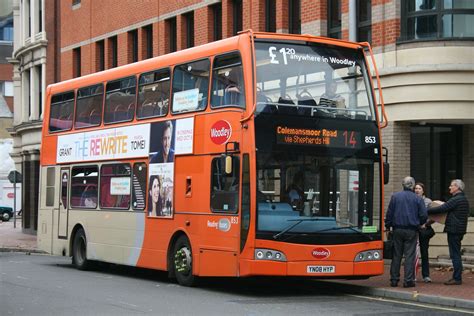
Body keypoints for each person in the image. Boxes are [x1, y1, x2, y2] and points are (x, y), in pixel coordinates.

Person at [385, 177, 427, 288]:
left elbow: (389, 213)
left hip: (397, 229)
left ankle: (394, 279)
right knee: (409, 256)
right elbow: (423, 215)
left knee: (396, 255)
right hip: (411, 230)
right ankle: (408, 280)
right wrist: (419, 223)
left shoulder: (395, 197)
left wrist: (388, 226)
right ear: (413, 186)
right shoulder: (418, 199)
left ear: (403, 185)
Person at [428, 179, 470, 285]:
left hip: (454, 230)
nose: (449, 187)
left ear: (457, 187)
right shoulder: (463, 199)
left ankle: (457, 278)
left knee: (455, 255)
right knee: (456, 254)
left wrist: (425, 210)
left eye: (451, 186)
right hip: (459, 230)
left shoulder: (456, 199)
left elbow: (442, 209)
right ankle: (457, 277)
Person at [414, 182, 435, 283]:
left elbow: (434, 216)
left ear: (423, 190)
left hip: (424, 231)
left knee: (424, 253)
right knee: (413, 254)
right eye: (416, 188)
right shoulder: (412, 200)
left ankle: (426, 275)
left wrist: (426, 224)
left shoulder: (428, 202)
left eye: (419, 189)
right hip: (413, 230)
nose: (417, 190)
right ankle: (413, 275)